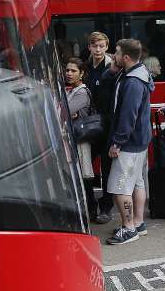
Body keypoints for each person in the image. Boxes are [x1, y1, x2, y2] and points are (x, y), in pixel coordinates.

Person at [105, 39, 154, 244]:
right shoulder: (138, 74)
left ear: (126, 57)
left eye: (116, 53)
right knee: (138, 183)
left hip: (128, 143)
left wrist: (117, 143)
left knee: (119, 187)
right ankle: (138, 222)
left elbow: (128, 116)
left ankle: (128, 228)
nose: (113, 56)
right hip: (139, 141)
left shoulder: (132, 82)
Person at [84, 31, 117, 223]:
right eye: (94, 46)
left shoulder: (112, 67)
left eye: (101, 46)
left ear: (107, 47)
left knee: (107, 168)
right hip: (89, 125)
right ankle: (90, 205)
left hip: (107, 125)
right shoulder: (86, 67)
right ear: (89, 47)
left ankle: (106, 207)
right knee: (85, 166)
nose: (98, 49)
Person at [64, 58, 100, 222]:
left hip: (81, 140)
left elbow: (63, 110)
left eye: (73, 71)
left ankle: (91, 211)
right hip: (74, 139)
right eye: (67, 70)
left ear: (82, 74)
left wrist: (69, 114)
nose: (69, 74)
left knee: (84, 177)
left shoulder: (82, 92)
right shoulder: (70, 90)